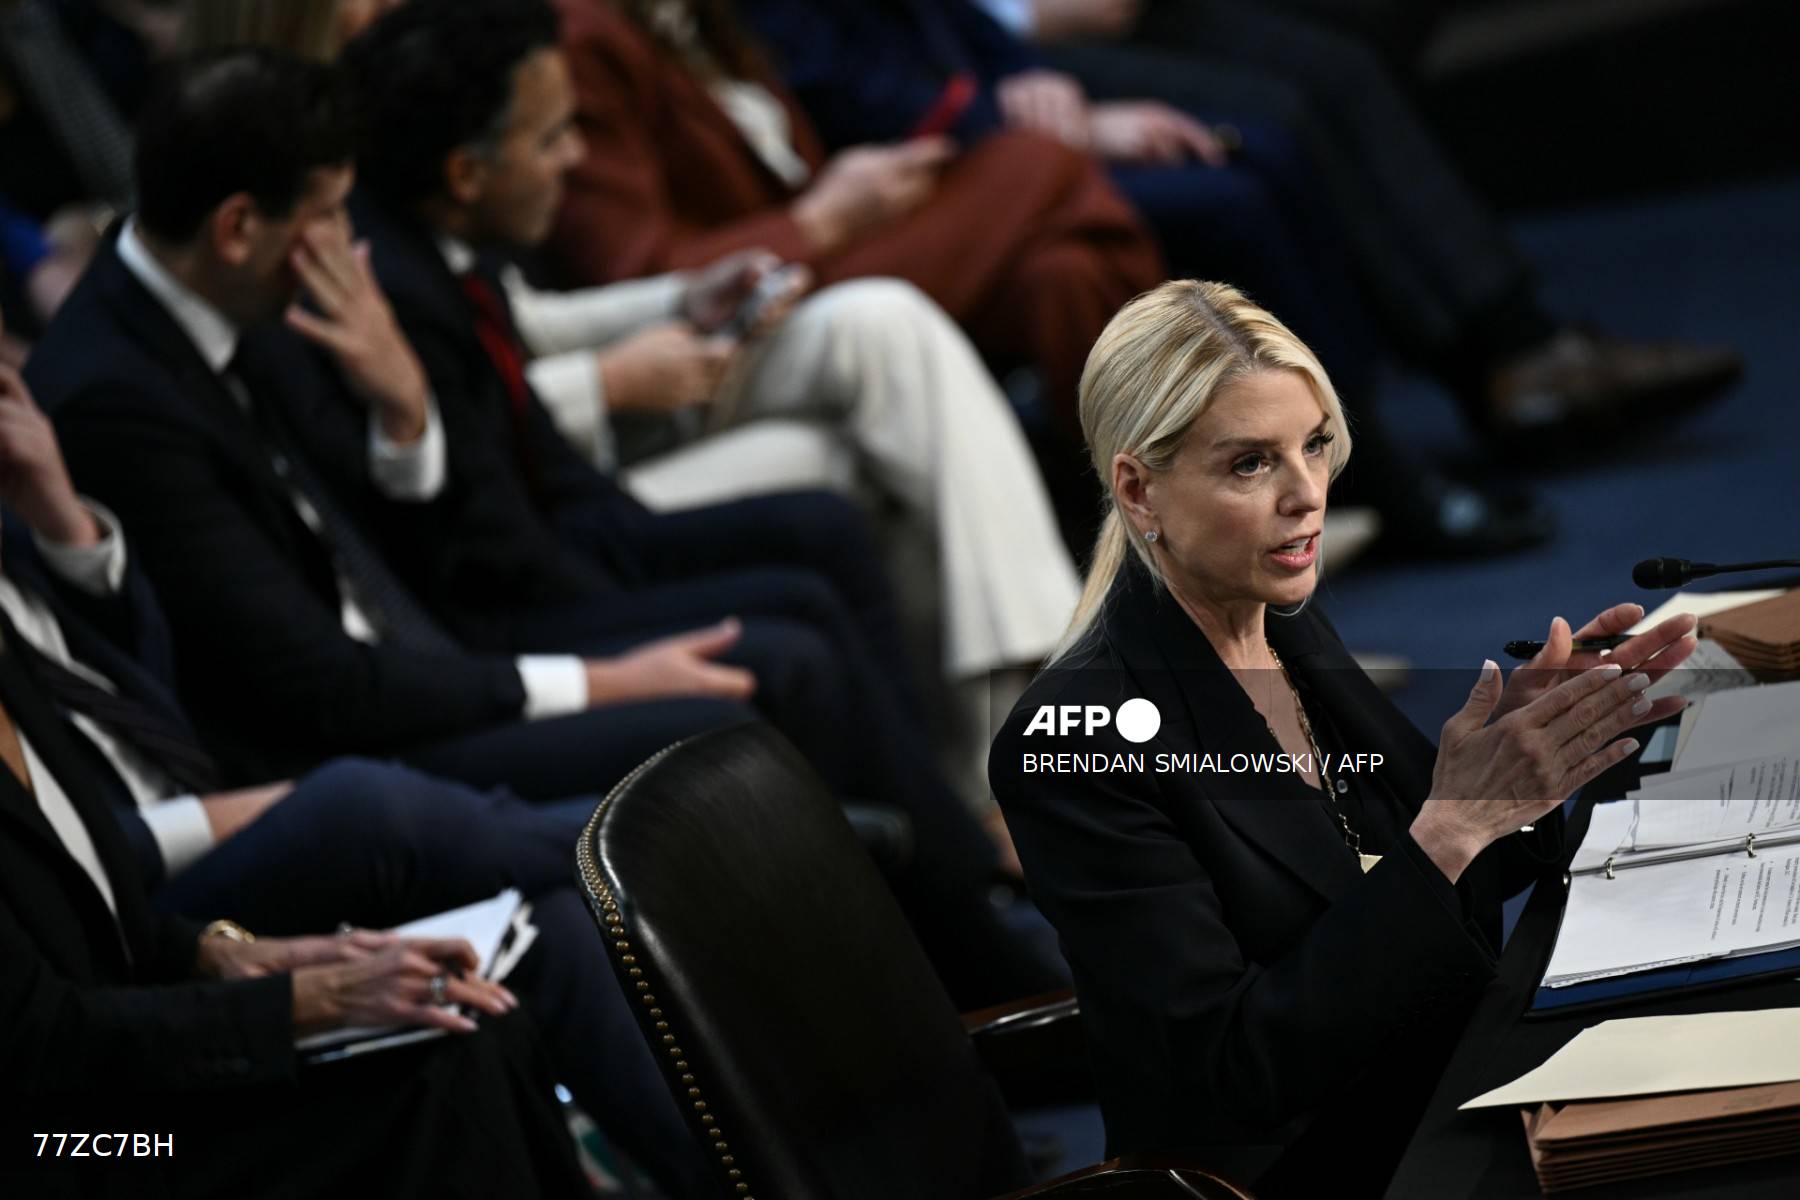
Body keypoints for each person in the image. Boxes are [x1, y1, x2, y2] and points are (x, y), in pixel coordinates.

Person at [988, 280, 1701, 1195]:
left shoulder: (1281, 618)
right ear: (1139, 489)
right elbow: (1236, 1073)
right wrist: (1450, 829)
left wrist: (1522, 752)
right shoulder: (1078, 745)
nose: (1308, 496)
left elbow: (1414, 879)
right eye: (1252, 464)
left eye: (1315, 445)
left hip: (1440, 1075)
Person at [0, 346, 723, 1195]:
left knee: (483, 995)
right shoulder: (115, 387)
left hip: (120, 1027)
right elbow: (43, 1042)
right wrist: (313, 1002)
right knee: (437, 1066)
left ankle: (753, 1170)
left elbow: (104, 888)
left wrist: (230, 952)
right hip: (71, 1144)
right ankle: (684, 852)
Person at [26, 49, 754, 799]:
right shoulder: (115, 401)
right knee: (733, 710)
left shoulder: (246, 291)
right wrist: (599, 682)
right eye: (328, 214)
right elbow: (318, 685)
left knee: (773, 646)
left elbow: (426, 549)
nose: (346, 243)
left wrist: (403, 409)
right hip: (346, 765)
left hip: (434, 654)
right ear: (238, 228)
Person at [332, 0, 1078, 697]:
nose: (573, 154)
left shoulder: (689, 22)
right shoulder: (383, 222)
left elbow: (526, 322)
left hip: (651, 388)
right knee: (991, 231)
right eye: (554, 139)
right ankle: (1040, 691)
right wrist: (607, 381)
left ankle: (997, 739)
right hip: (578, 479)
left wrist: (683, 297)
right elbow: (464, 406)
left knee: (922, 359)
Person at [956, 0, 1743, 445]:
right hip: (985, 59)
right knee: (1278, 115)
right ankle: (1434, 398)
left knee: (1341, 65)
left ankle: (1518, 341)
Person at [544, 0, 1165, 524]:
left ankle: (1142, 534)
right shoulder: (584, 35)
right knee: (1036, 160)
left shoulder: (699, 16)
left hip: (820, 258)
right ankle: (1167, 502)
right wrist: (818, 220)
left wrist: (837, 205)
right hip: (746, 313)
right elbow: (641, 278)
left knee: (1065, 273)